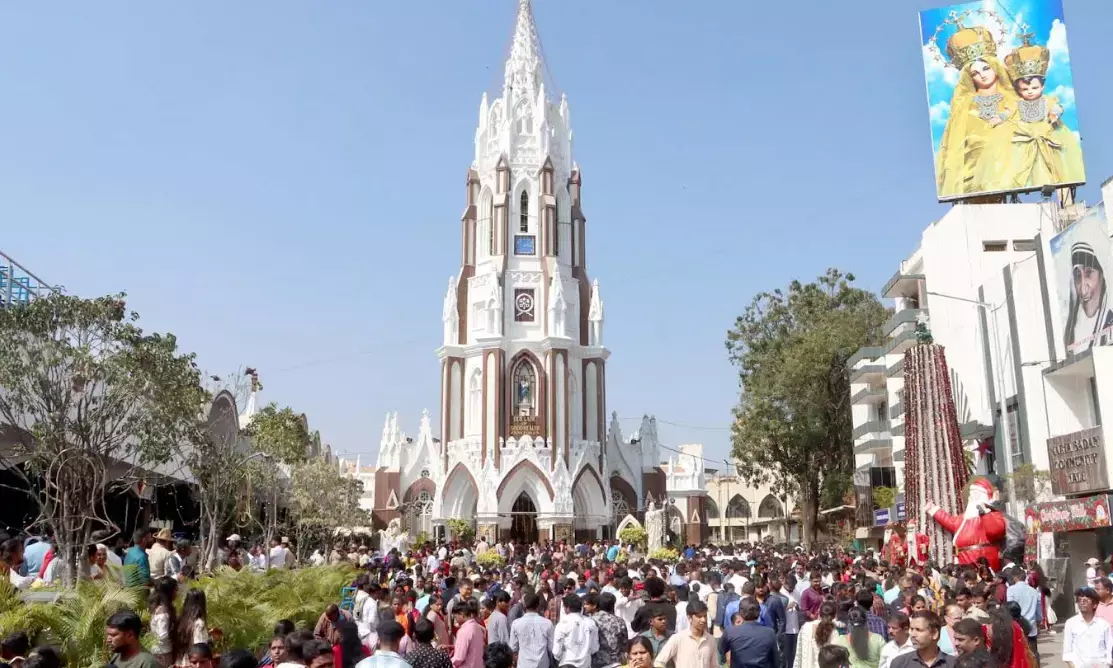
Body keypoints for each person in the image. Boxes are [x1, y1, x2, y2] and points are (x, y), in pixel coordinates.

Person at [932, 23, 1019, 198]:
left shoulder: (1013, 98)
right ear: (969, 77)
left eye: (986, 68)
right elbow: (960, 141)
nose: (982, 75)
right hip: (975, 172)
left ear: (995, 67)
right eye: (975, 73)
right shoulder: (966, 104)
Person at [653, 600, 715, 668]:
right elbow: (659, 662)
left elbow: (715, 665)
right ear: (689, 618)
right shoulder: (678, 639)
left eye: (705, 616)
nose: (703, 620)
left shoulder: (711, 640)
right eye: (699, 616)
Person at [1063, 586, 1113, 668]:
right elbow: (1067, 651)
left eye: (1085, 600)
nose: (1081, 603)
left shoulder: (1104, 625)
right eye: (1079, 600)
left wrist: (1107, 665)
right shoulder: (1071, 623)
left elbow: (1109, 649)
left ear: (1094, 605)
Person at [718, 601, 777, 668]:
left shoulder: (730, 631)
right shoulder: (769, 633)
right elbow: (776, 660)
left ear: (740, 613)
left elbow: (721, 650)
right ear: (759, 613)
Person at [553, 594, 598, 668]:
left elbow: (556, 652)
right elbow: (594, 648)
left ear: (567, 608)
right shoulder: (591, 623)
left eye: (563, 606)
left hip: (566, 663)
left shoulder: (562, 624)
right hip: (585, 664)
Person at [591, 592, 629, 668]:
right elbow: (625, 644)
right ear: (613, 605)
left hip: (598, 662)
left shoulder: (592, 620)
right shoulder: (620, 621)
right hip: (617, 662)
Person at [794, 601, 836, 668]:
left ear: (819, 613)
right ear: (834, 616)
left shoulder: (806, 627)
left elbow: (799, 653)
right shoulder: (834, 631)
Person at [150, 577, 180, 667]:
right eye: (176, 590)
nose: (177, 593)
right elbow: (162, 635)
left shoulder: (160, 607)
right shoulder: (163, 613)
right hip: (163, 653)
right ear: (169, 592)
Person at [451, 599, 484, 668]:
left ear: (461, 614)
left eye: (455, 617)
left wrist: (447, 662)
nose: (455, 620)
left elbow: (459, 658)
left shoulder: (464, 631)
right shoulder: (477, 627)